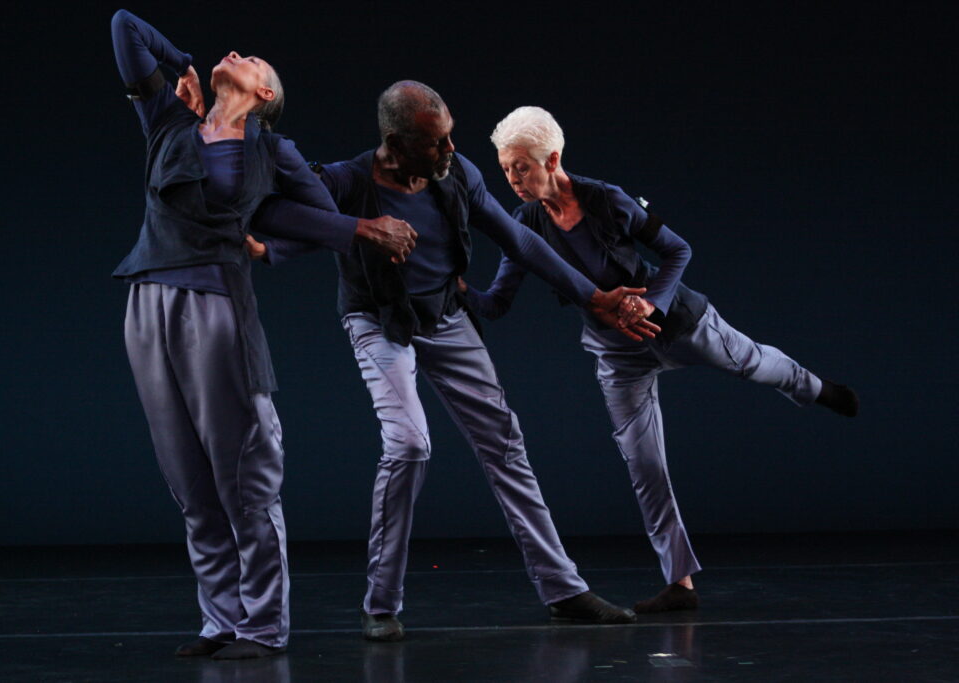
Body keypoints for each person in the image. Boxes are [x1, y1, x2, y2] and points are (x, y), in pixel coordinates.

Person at [255, 81, 652, 642]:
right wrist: (320, 235)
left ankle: (564, 588)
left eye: (449, 138)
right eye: (435, 143)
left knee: (504, 442)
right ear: (396, 141)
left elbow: (521, 240)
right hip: (378, 320)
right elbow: (276, 209)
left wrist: (593, 296)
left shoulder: (458, 173)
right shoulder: (347, 181)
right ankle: (381, 603)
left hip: (445, 316)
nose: (448, 150)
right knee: (410, 444)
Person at [460, 105, 859, 614]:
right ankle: (681, 583)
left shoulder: (608, 200)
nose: (512, 180)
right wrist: (455, 288)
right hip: (616, 353)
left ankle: (817, 389)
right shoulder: (525, 225)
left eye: (521, 167)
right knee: (644, 462)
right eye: (505, 169)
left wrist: (653, 302)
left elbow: (678, 250)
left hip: (680, 324)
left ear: (551, 158)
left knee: (754, 363)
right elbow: (496, 303)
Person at [110, 10, 415, 659]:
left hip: (217, 304)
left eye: (249, 60)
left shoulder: (271, 152)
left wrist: (272, 244)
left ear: (265, 94)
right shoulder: (168, 120)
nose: (236, 52)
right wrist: (186, 64)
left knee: (244, 466)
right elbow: (124, 26)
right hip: (148, 302)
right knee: (186, 474)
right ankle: (218, 618)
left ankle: (262, 623)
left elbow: (326, 219)